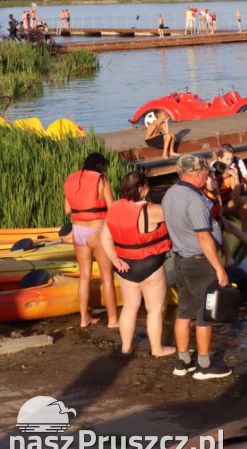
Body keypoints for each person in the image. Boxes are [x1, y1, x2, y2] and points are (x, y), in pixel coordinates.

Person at [162, 155, 232, 379]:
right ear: (196, 173)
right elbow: (204, 237)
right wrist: (220, 269)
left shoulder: (170, 194)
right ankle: (203, 365)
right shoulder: (195, 199)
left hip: (180, 260)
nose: (207, 176)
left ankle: (182, 362)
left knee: (184, 312)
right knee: (205, 315)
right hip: (200, 262)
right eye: (205, 172)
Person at [98, 171, 176, 357]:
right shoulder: (154, 210)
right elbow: (178, 218)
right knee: (154, 309)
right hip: (150, 265)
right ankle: (157, 349)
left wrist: (115, 259)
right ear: (142, 189)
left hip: (124, 265)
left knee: (130, 307)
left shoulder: (114, 208)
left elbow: (104, 237)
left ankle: (126, 347)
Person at [63, 153, 119, 329]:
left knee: (84, 275)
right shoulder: (102, 179)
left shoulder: (71, 179)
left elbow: (67, 209)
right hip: (97, 231)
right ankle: (113, 320)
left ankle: (84, 319)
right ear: (101, 167)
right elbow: (112, 206)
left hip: (77, 231)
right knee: (107, 277)